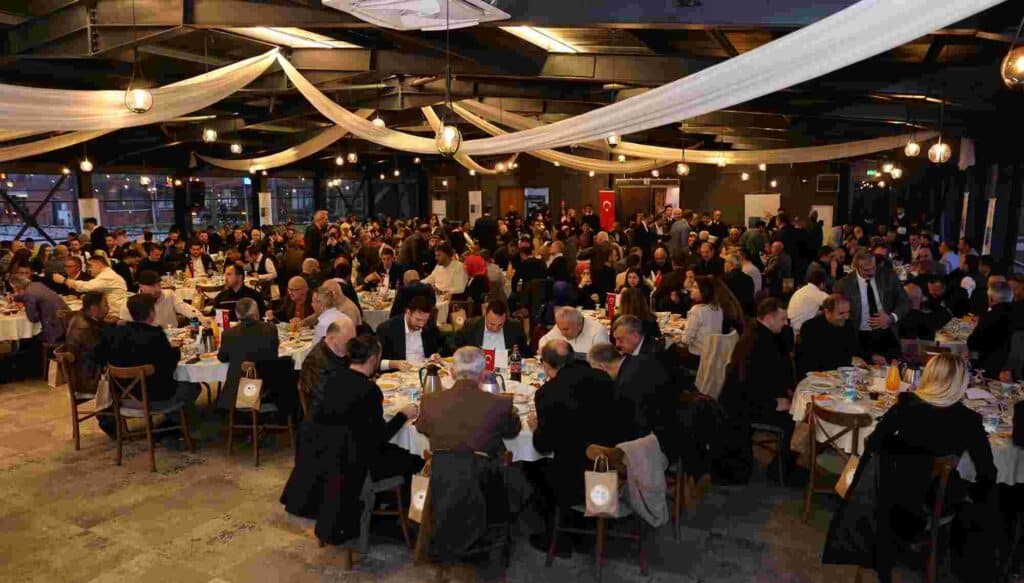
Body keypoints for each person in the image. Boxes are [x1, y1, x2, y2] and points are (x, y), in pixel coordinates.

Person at [525, 339, 617, 554]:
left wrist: (537, 427)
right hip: (609, 467)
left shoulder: (548, 393)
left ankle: (557, 538)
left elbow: (542, 446)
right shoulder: (602, 377)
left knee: (532, 466)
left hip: (576, 478)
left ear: (546, 366)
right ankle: (588, 527)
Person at [95, 294, 201, 438]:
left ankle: (171, 422)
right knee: (193, 386)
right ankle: (172, 423)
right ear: (152, 312)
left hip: (122, 398)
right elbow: (169, 365)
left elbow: (99, 356)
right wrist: (176, 350)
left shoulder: (113, 333)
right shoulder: (155, 335)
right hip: (156, 398)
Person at [718, 298, 796, 469]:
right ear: (769, 318)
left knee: (794, 407)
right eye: (783, 319)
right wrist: (775, 403)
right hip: (743, 406)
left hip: (752, 398)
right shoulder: (755, 341)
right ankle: (780, 468)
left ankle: (783, 462)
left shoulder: (761, 333)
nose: (786, 323)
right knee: (791, 417)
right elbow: (746, 386)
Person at [415, 346, 521, 456]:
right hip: (487, 466)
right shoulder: (500, 404)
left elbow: (422, 428)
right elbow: (512, 432)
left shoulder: (429, 401)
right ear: (483, 375)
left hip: (441, 466)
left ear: (452, 373)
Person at [586, 342, 672, 447]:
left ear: (602, 366)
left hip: (656, 437)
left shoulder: (624, 384)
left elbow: (637, 423)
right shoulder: (640, 359)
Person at [836, 251, 907, 361]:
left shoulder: (888, 276)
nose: (871, 272)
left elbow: (904, 301)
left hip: (886, 332)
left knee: (894, 368)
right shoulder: (844, 284)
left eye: (873, 268)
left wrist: (891, 317)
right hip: (859, 336)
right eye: (866, 270)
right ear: (856, 267)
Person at [215, 297, 280, 409]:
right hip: (267, 388)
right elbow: (274, 353)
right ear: (256, 313)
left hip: (238, 392)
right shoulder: (270, 329)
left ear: (237, 315)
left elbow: (222, 357)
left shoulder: (228, 334)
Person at [795, 294, 868, 376]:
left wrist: (870, 357)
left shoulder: (848, 324)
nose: (846, 317)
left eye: (848, 312)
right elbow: (816, 358)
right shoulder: (810, 327)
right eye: (841, 313)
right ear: (827, 312)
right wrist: (849, 360)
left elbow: (854, 348)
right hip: (818, 376)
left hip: (843, 373)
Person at [299, 316, 357, 414]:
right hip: (325, 416)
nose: (351, 346)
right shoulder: (314, 362)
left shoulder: (342, 353)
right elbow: (324, 399)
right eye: (348, 342)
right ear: (332, 339)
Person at [376, 295, 441, 371]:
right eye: (418, 320)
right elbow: (375, 363)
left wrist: (434, 356)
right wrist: (395, 364)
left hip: (424, 371)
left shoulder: (429, 327)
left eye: (425, 320)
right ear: (408, 312)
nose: (421, 325)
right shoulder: (387, 329)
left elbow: (435, 351)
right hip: (398, 375)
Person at [117, 270, 199, 328]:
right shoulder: (130, 303)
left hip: (173, 335)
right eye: (152, 286)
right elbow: (125, 328)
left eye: (159, 285)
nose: (158, 289)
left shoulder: (169, 295)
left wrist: (201, 319)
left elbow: (187, 309)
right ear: (141, 286)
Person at [967, 281, 1016, 375]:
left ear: (991, 299)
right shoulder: (1018, 314)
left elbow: (973, 343)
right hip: (1014, 369)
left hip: (990, 367)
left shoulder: (990, 317)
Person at [52, 255, 127, 314]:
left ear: (99, 264)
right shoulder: (105, 275)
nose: (88, 269)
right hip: (110, 310)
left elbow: (87, 286)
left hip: (114, 313)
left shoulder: (108, 276)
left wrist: (64, 280)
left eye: (90, 266)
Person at [456, 299, 531, 357]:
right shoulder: (471, 325)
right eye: (491, 324)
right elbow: (458, 349)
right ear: (485, 316)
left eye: (500, 325)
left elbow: (523, 352)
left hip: (507, 368)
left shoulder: (515, 327)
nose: (495, 329)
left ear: (505, 319)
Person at [678, 276, 725, 367]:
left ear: (704, 291)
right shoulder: (718, 308)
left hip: (698, 357)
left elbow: (685, 341)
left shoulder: (697, 310)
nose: (692, 290)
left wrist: (676, 338)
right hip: (713, 356)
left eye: (695, 287)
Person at [65, 292, 108, 391]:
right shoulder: (86, 328)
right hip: (90, 380)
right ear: (94, 309)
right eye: (105, 305)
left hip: (83, 374)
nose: (108, 308)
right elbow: (101, 355)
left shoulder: (79, 317)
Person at [9, 274, 68, 344]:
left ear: (16, 287)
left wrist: (27, 306)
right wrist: (15, 298)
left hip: (55, 330)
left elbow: (33, 318)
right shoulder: (37, 284)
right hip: (66, 324)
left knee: (29, 339)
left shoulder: (29, 294)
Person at [537, 307, 610, 356]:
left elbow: (601, 359)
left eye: (566, 329)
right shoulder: (562, 325)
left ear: (579, 325)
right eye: (560, 329)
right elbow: (545, 340)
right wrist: (545, 349)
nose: (562, 333)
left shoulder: (597, 332)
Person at [723, 252, 756, 317]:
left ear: (731, 264)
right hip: (748, 312)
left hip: (733, 314)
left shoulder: (726, 279)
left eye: (725, 262)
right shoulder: (749, 278)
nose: (724, 264)